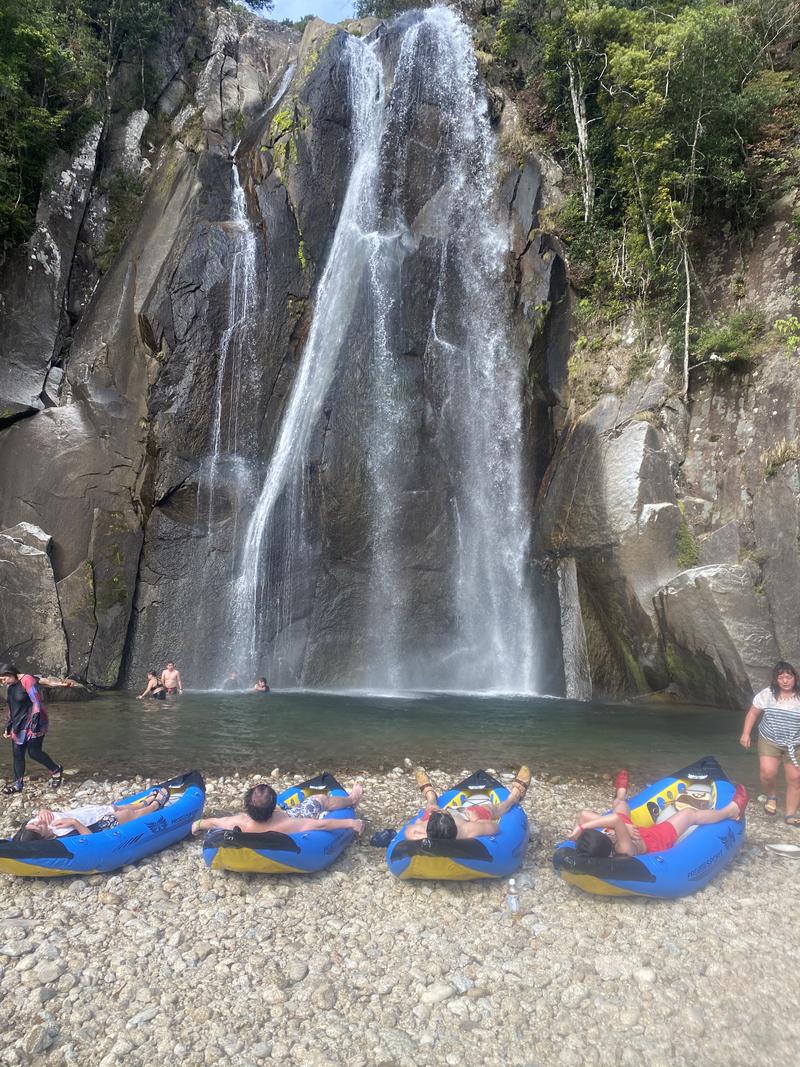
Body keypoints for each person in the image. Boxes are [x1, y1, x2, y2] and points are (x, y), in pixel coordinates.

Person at [570, 771, 748, 858]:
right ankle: (732, 811)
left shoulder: (598, 842)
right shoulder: (623, 849)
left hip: (627, 831)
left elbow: (584, 814)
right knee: (688, 814)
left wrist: (624, 828)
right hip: (654, 839)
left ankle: (621, 793)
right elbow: (615, 820)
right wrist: (583, 827)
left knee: (621, 805)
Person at [740, 660, 800, 825]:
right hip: (770, 739)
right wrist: (746, 734)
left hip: (795, 743)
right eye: (781, 677)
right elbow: (753, 713)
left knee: (795, 778)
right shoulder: (767, 694)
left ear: (795, 678)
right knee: (767, 773)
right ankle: (771, 797)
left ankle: (790, 814)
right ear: (776, 680)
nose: (785, 681)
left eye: (789, 677)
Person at [403, 766, 531, 841]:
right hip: (465, 817)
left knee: (430, 808)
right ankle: (513, 797)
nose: (444, 809)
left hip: (444, 819)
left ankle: (430, 794)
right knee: (491, 809)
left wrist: (424, 829)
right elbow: (494, 827)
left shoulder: (420, 831)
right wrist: (475, 819)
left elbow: (408, 830)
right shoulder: (466, 830)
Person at [191, 781, 365, 837]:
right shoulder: (288, 823)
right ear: (274, 806)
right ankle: (352, 799)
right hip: (289, 815)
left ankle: (351, 799)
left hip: (263, 818)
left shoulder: (239, 822)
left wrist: (198, 825)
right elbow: (321, 825)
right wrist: (351, 822)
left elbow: (213, 822)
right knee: (319, 799)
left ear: (247, 806)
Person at [13, 786, 170, 842]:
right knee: (127, 814)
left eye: (34, 823)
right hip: (96, 826)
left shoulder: (35, 823)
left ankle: (142, 803)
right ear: (42, 836)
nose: (39, 822)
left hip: (89, 813)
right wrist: (75, 823)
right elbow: (90, 839)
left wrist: (43, 810)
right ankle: (154, 806)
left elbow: (33, 822)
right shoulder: (61, 836)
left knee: (115, 808)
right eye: (39, 827)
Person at [0, 665, 63, 795]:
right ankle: (18, 784)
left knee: (34, 752)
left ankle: (56, 770)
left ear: (10, 673)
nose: (3, 682)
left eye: (3, 678)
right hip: (19, 725)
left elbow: (36, 701)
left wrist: (35, 722)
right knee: (17, 755)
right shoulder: (10, 687)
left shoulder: (27, 680)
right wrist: (8, 725)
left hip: (35, 721)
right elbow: (13, 708)